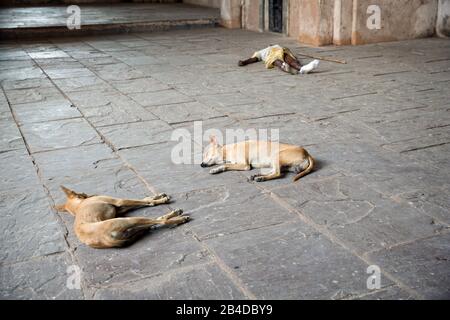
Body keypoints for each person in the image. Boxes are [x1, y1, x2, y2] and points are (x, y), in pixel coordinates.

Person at [238, 44, 319, 75]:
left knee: (289, 59)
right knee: (277, 61)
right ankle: (286, 68)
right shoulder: (260, 52)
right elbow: (254, 59)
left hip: (282, 52)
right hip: (271, 56)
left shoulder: (277, 46)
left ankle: (301, 68)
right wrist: (244, 62)